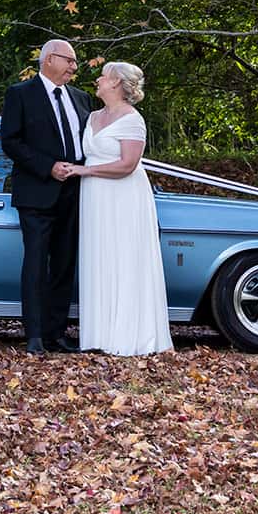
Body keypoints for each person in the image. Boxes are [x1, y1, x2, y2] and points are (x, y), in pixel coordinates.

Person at [55, 60, 172, 356]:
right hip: (95, 198)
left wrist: (84, 172)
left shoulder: (133, 119)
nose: (98, 79)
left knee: (124, 258)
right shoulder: (93, 115)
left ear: (117, 83)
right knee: (99, 258)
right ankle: (100, 335)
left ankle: (129, 336)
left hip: (123, 197)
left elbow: (127, 165)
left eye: (103, 76)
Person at [0, 39, 94, 355]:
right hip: (37, 193)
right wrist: (48, 167)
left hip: (76, 192)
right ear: (50, 59)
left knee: (65, 265)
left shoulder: (81, 99)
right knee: (37, 265)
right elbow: (11, 142)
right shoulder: (20, 94)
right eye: (70, 60)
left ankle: (57, 333)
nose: (74, 67)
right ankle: (35, 336)